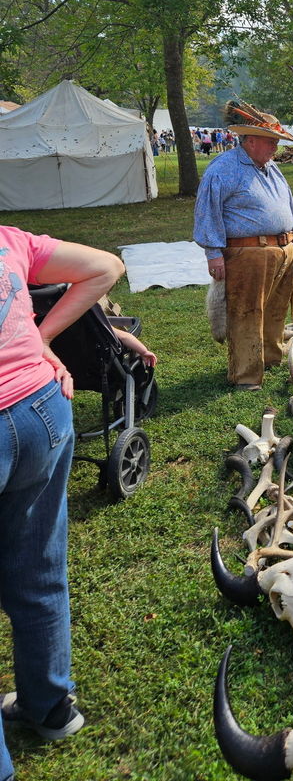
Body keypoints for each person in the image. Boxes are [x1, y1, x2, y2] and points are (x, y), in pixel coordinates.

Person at [0, 227, 124, 781]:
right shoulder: (8, 239)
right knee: (40, 567)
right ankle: (50, 705)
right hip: (41, 406)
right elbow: (104, 266)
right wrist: (39, 339)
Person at [193, 107, 293, 392]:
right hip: (248, 254)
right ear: (251, 140)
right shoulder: (223, 168)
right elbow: (208, 212)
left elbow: (288, 204)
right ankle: (246, 374)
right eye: (271, 141)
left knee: (275, 308)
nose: (276, 146)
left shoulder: (271, 168)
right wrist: (213, 253)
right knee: (246, 311)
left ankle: (270, 357)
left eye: (276, 141)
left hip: (283, 249)